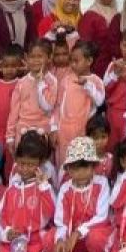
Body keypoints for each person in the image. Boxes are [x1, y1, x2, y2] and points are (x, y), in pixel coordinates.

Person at [0, 132, 56, 252]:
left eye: (31, 164)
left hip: (34, 241)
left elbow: (52, 212)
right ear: (16, 162)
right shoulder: (12, 188)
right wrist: (6, 232)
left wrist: (44, 187)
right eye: (22, 164)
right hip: (13, 241)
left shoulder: (43, 187)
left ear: (39, 165)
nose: (25, 169)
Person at [52, 136, 113, 252]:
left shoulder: (102, 183)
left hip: (91, 233)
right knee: (49, 238)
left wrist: (78, 232)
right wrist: (60, 239)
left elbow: (102, 216)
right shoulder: (66, 188)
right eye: (74, 168)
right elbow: (60, 220)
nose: (79, 173)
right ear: (68, 170)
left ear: (93, 167)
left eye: (84, 167)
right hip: (74, 238)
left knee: (96, 236)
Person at [5, 40, 58, 177]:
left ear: (49, 58)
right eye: (32, 57)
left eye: (40, 57)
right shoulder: (21, 83)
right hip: (22, 131)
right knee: (22, 168)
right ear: (26, 58)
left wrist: (41, 83)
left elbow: (49, 107)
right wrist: (10, 137)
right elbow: (14, 112)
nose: (35, 61)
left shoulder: (52, 81)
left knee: (43, 169)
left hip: (42, 132)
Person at [53, 41, 104, 169]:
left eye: (77, 61)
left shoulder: (95, 80)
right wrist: (54, 129)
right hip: (63, 131)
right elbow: (58, 106)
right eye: (72, 61)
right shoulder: (66, 80)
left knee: (80, 165)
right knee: (63, 166)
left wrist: (87, 85)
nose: (73, 65)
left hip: (83, 130)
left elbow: (99, 101)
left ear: (89, 61)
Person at [79, 0, 118, 75]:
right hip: (96, 67)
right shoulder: (90, 15)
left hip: (115, 68)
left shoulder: (117, 13)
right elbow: (85, 45)